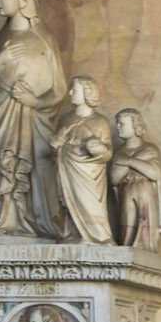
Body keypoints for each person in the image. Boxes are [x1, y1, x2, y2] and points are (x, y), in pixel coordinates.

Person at [0, 0, 68, 241]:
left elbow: (60, 89)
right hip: (3, 119)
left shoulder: (43, 37)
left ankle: (34, 222)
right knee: (2, 166)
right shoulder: (1, 38)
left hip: (34, 121)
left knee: (36, 167)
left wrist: (34, 101)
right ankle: (3, 221)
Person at [53, 76, 115, 243]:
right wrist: (59, 142)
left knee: (91, 202)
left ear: (87, 93)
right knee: (66, 201)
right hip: (66, 168)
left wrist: (97, 149)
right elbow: (54, 146)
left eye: (75, 89)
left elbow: (107, 152)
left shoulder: (100, 122)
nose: (70, 92)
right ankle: (72, 233)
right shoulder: (65, 119)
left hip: (89, 174)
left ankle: (97, 236)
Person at [110, 107, 161, 249]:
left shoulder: (149, 149)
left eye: (122, 124)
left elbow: (155, 173)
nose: (118, 127)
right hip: (126, 192)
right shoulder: (119, 152)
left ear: (135, 126)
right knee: (126, 226)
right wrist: (136, 163)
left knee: (144, 224)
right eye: (117, 124)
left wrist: (129, 162)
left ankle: (145, 248)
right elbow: (114, 179)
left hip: (145, 193)